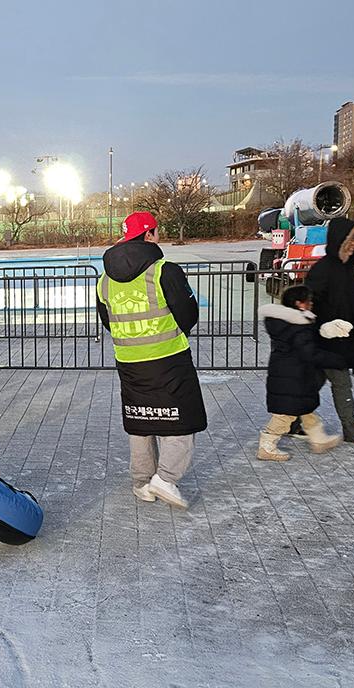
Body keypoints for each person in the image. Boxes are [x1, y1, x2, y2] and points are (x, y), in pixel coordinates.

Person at [96, 211, 205, 509]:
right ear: (148, 235)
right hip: (168, 358)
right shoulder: (164, 270)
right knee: (183, 419)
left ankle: (141, 482)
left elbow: (108, 321)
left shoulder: (104, 280)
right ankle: (166, 478)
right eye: (156, 231)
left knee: (140, 418)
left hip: (129, 361)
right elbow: (188, 313)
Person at [300, 217, 354, 444]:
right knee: (341, 384)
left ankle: (292, 421)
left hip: (341, 338)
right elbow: (305, 302)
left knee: (312, 384)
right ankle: (353, 430)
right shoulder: (324, 270)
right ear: (339, 241)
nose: (353, 245)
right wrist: (318, 328)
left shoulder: (349, 270)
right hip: (326, 339)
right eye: (349, 241)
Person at [256, 285, 351, 461]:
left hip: (290, 375)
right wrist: (336, 360)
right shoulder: (297, 326)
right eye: (309, 300)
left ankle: (319, 439)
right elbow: (309, 352)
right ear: (300, 304)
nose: (311, 303)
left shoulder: (287, 323)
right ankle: (267, 445)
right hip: (293, 377)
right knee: (285, 416)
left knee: (305, 409)